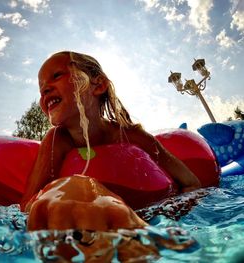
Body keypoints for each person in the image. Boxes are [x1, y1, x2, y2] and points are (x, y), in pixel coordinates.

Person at [22, 51, 201, 260]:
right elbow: (27, 204)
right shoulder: (56, 140)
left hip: (143, 216)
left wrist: (166, 214)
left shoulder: (131, 135)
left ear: (98, 85)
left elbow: (191, 183)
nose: (44, 90)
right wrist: (71, 190)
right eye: (41, 87)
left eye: (56, 75)